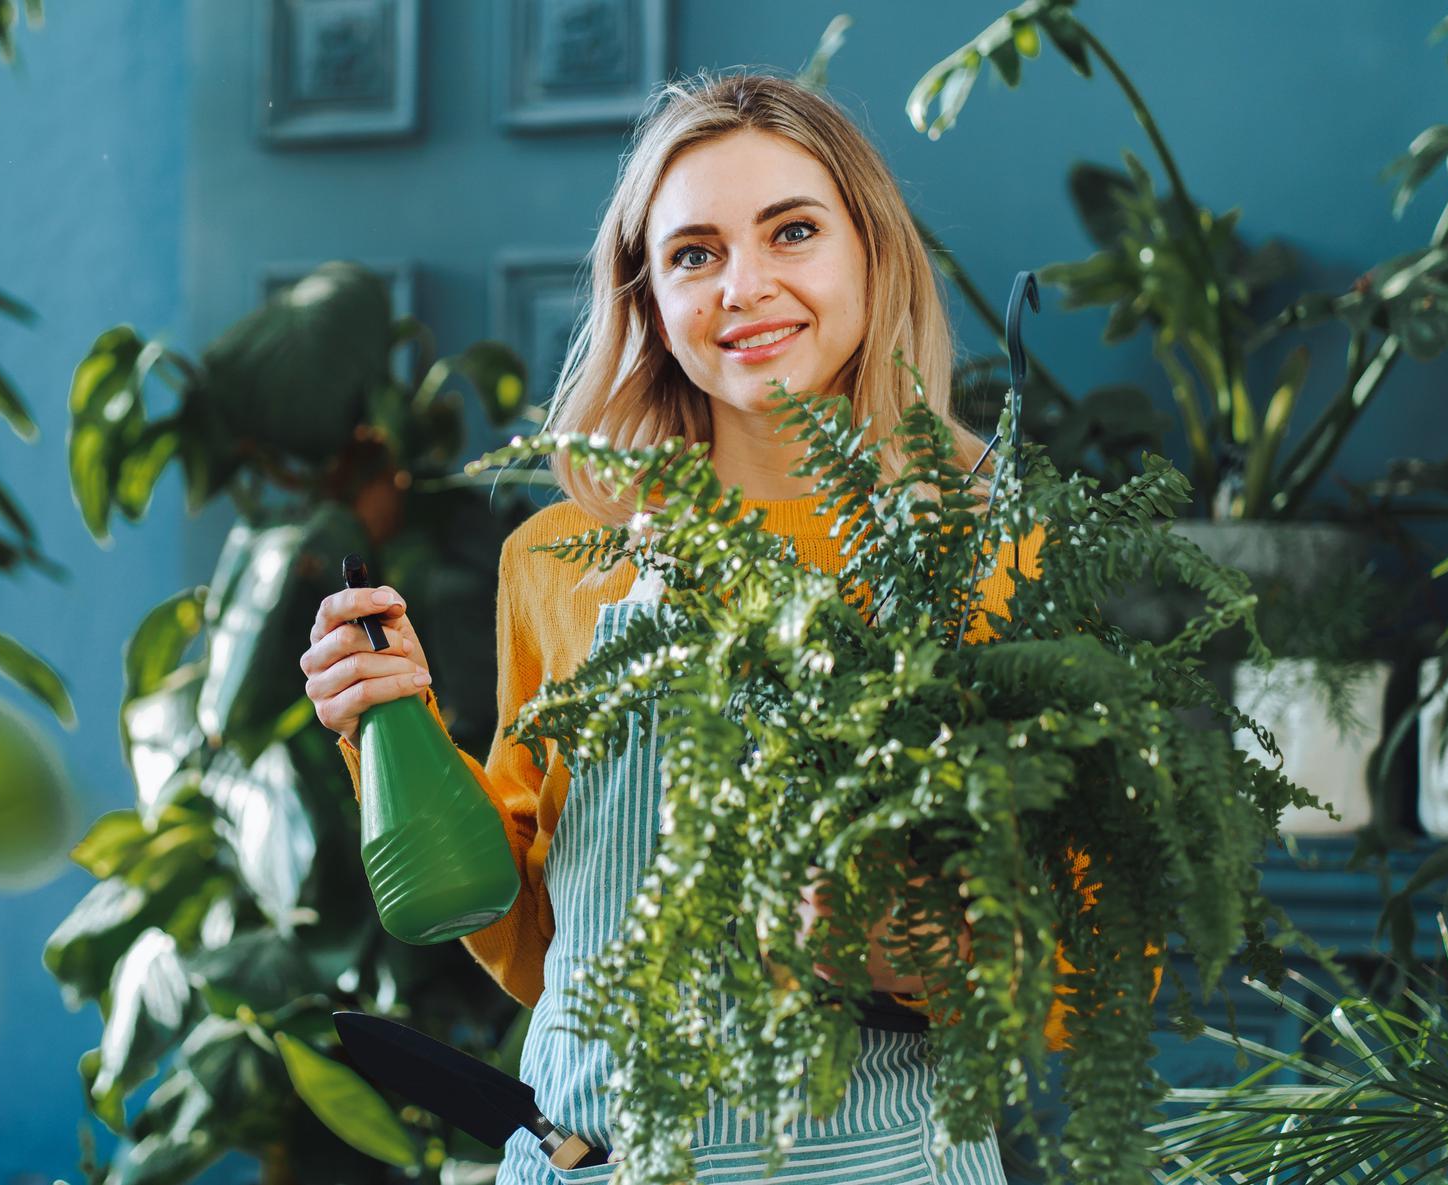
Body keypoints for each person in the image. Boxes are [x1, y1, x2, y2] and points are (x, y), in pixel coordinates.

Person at [301, 71, 1044, 1184]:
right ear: (646, 297)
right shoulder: (559, 554)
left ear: (870, 255)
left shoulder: (978, 543)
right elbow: (544, 937)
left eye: (792, 231)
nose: (744, 286)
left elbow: (1073, 948)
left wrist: (890, 939)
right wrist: (388, 724)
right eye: (694, 253)